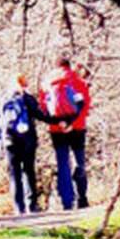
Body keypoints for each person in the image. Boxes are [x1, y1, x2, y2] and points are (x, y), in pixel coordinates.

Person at [40, 55, 92, 209]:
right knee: (79, 160)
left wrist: (59, 123)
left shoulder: (46, 84)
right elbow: (84, 106)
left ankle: (67, 201)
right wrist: (72, 123)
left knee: (63, 163)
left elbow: (43, 108)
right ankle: (82, 198)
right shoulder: (77, 81)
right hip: (77, 127)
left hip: (57, 129)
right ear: (69, 66)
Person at [0, 74, 48, 214]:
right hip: (27, 140)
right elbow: (41, 115)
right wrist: (61, 120)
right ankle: (31, 205)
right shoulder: (27, 99)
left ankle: (18, 207)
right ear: (23, 84)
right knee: (28, 171)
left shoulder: (3, 100)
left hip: (9, 141)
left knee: (14, 174)